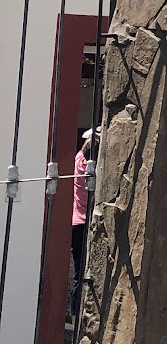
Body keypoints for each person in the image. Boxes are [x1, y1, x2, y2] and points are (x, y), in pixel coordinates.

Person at [70, 128, 94, 321]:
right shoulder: (90, 169)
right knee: (87, 273)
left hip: (76, 222)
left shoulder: (78, 159)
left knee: (79, 272)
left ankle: (74, 316)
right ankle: (81, 317)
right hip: (87, 223)